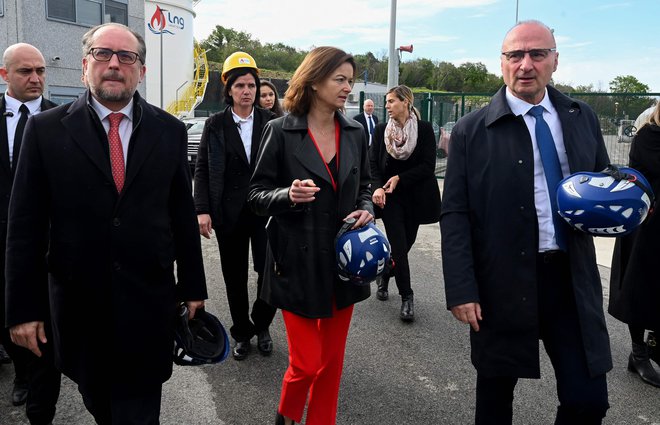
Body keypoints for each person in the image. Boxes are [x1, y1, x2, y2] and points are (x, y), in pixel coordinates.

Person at [5, 23, 207, 424]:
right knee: (101, 403)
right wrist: (22, 310)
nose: (114, 64)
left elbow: (182, 217)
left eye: (126, 56)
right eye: (103, 54)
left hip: (149, 308)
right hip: (81, 312)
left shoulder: (169, 131)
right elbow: (24, 226)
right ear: (84, 66)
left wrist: (193, 287)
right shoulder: (45, 130)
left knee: (138, 412)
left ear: (141, 70)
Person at [441, 20, 612, 424]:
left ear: (555, 60)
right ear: (501, 63)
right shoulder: (471, 130)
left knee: (588, 400)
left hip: (570, 279)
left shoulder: (580, 115)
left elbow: (601, 182)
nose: (525, 64)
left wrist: (624, 205)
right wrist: (462, 288)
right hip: (500, 282)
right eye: (515, 55)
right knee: (495, 403)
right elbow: (455, 215)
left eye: (537, 54)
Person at [248, 46, 373, 425]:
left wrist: (368, 207)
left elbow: (367, 183)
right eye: (340, 79)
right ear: (315, 81)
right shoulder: (279, 130)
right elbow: (255, 196)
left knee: (331, 364)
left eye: (350, 80)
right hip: (295, 260)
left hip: (343, 261)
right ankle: (286, 414)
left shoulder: (354, 132)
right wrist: (287, 194)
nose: (347, 88)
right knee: (307, 362)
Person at [194, 51, 277, 361]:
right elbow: (201, 168)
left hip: (266, 213)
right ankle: (242, 332)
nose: (247, 91)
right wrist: (202, 209)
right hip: (229, 215)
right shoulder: (214, 124)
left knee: (269, 272)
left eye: (252, 86)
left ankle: (262, 325)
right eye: (240, 85)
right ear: (228, 89)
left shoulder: (272, 123)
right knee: (234, 276)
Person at [0, 42, 62, 425]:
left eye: (40, 70)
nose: (36, 78)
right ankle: (21, 372)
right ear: (5, 75)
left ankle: (41, 399)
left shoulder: (63, 118)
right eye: (26, 72)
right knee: (9, 315)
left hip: (45, 243)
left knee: (43, 320)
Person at [370, 85, 441, 321]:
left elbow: (427, 166)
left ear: (406, 102)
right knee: (399, 247)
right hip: (391, 200)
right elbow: (372, 164)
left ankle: (386, 274)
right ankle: (407, 298)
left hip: (417, 198)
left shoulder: (424, 129)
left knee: (405, 247)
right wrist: (379, 186)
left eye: (391, 101)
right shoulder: (382, 130)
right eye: (387, 102)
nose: (387, 105)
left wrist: (400, 178)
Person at [609, 101, 660, 388]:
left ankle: (653, 345)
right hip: (647, 226)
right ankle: (638, 353)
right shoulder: (648, 136)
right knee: (640, 289)